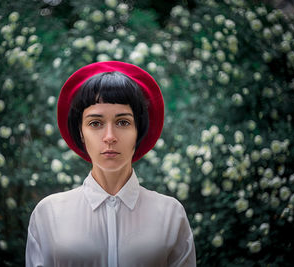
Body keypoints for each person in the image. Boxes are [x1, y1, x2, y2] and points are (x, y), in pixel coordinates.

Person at [26, 61, 196, 267]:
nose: (109, 137)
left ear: (138, 131)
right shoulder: (48, 213)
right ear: (81, 133)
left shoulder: (171, 214)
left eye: (123, 122)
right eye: (95, 123)